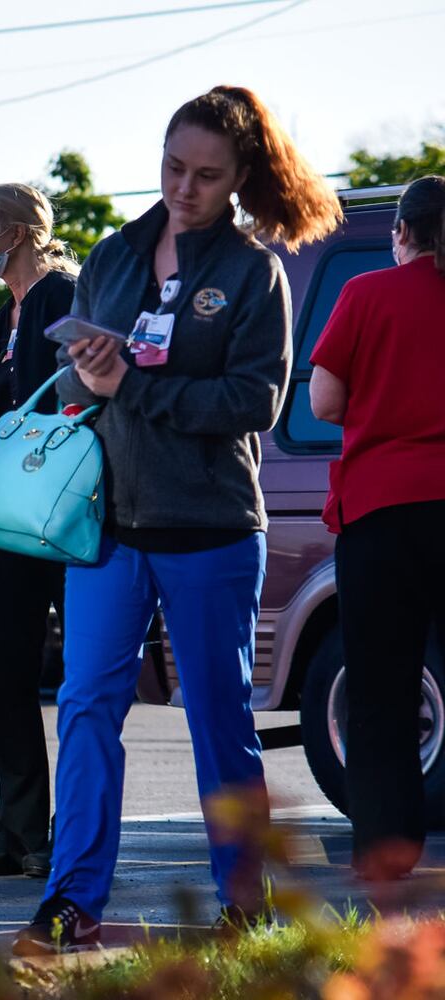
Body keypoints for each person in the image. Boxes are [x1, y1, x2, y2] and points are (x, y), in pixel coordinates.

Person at [15, 86, 341, 954]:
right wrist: (90, 370)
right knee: (85, 707)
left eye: (205, 175)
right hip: (110, 526)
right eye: (173, 168)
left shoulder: (249, 268)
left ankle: (245, 901)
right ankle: (70, 900)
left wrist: (136, 386)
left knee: (219, 717)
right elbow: (86, 391)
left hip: (211, 529)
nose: (184, 189)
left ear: (239, 179)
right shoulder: (115, 255)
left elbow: (257, 401)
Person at [309, 175, 445, 882]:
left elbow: (326, 400)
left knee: (382, 693)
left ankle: (385, 855)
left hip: (382, 512)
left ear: (401, 231)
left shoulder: (365, 293)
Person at [0, 183, 79, 879]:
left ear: (14, 231)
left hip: (66, 513)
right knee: (5, 671)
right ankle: (19, 828)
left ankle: (73, 829)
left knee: (85, 679)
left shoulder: (65, 296)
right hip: (9, 521)